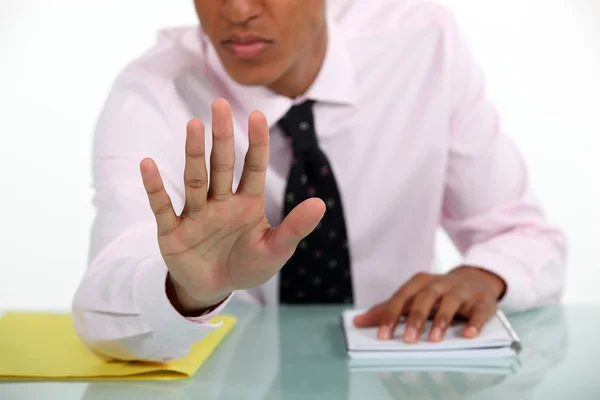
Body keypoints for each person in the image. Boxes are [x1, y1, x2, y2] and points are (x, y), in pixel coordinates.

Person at [72, 0, 567, 362]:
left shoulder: (423, 40)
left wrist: (484, 275)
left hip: (407, 372)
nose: (237, 10)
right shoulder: (153, 89)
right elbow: (100, 307)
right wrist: (186, 292)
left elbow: (522, 234)